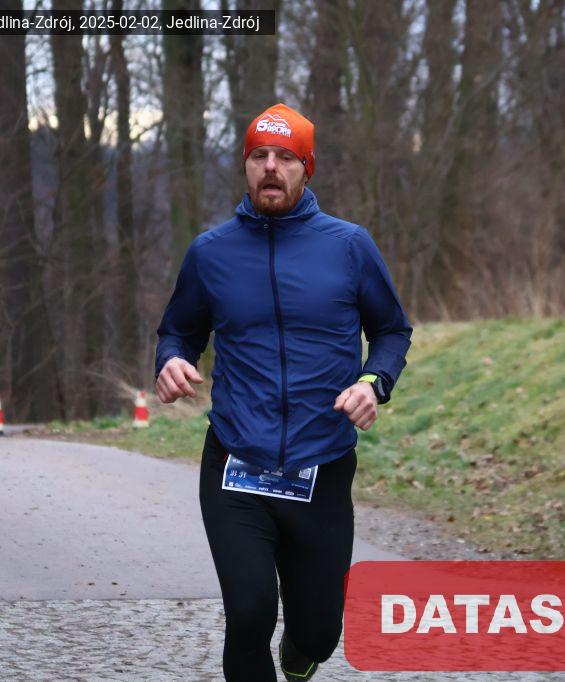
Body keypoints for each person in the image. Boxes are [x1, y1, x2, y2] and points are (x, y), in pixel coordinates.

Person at [154, 103, 412, 681]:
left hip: (321, 464)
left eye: (286, 157)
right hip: (236, 463)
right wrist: (171, 360)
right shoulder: (211, 252)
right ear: (246, 166)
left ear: (306, 168)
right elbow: (179, 330)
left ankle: (302, 654)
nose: (271, 167)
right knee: (249, 615)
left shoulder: (349, 246)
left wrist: (373, 382)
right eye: (259, 156)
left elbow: (392, 330)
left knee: (317, 632)